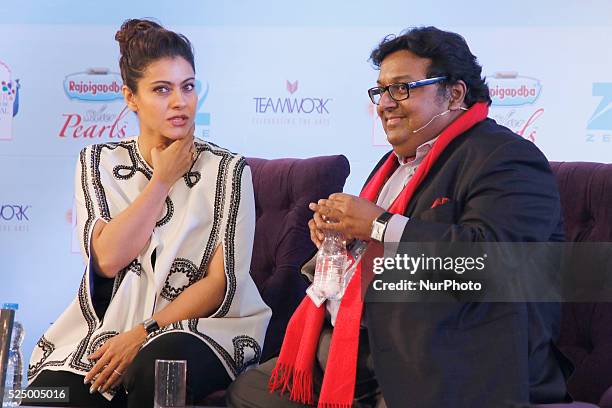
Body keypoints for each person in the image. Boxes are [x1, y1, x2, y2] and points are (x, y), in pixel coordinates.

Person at [227, 26, 569, 407]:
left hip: (452, 355)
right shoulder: (392, 165)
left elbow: (498, 265)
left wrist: (377, 224)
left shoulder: (504, 157)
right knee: (250, 390)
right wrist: (338, 244)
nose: (385, 103)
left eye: (402, 88)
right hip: (362, 343)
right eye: (381, 90)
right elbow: (379, 251)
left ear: (454, 94)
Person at [27, 19, 271, 407]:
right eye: (162, 89)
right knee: (48, 396)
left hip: (202, 326)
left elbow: (219, 283)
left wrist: (144, 331)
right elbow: (106, 260)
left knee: (156, 364)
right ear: (130, 97)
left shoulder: (228, 171)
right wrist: (161, 181)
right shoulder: (100, 161)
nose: (180, 101)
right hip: (108, 326)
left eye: (188, 86)